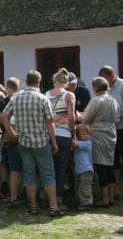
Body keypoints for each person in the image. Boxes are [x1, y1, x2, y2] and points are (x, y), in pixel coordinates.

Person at [1, 70, 64, 217]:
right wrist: (54, 142)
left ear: (26, 81)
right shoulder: (42, 98)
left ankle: (33, 206)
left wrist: (12, 133)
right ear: (38, 82)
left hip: (24, 141)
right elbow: (50, 122)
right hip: (41, 141)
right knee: (48, 174)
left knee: (29, 174)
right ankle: (53, 207)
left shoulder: (16, 98)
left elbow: (4, 116)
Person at [78, 76, 119, 207]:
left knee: (101, 167)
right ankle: (111, 197)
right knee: (110, 166)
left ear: (95, 87)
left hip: (99, 134)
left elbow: (85, 118)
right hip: (111, 134)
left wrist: (79, 115)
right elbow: (117, 118)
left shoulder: (96, 101)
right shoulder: (113, 101)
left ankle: (105, 199)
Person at [44, 68, 75, 211]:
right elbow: (71, 117)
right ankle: (59, 200)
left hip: (49, 134)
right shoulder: (69, 95)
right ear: (66, 82)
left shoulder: (46, 95)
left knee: (48, 167)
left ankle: (45, 197)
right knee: (61, 168)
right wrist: (73, 133)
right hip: (64, 134)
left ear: (55, 81)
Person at [98, 65, 123, 199]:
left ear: (112, 77)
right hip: (111, 131)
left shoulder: (122, 86)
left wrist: (116, 117)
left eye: (105, 80)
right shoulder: (105, 90)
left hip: (121, 128)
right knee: (114, 160)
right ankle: (115, 190)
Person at [0, 77, 23, 208]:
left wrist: (10, 132)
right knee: (25, 167)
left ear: (7, 87)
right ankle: (22, 195)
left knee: (12, 166)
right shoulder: (23, 99)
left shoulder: (5, 101)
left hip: (9, 137)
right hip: (24, 136)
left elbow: (2, 119)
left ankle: (12, 195)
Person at [71, 124, 93, 211]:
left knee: (85, 187)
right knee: (78, 187)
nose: (87, 136)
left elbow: (75, 143)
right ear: (79, 135)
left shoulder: (88, 143)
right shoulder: (81, 142)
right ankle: (80, 202)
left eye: (88, 134)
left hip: (86, 169)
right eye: (84, 134)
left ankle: (86, 203)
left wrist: (70, 136)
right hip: (79, 169)